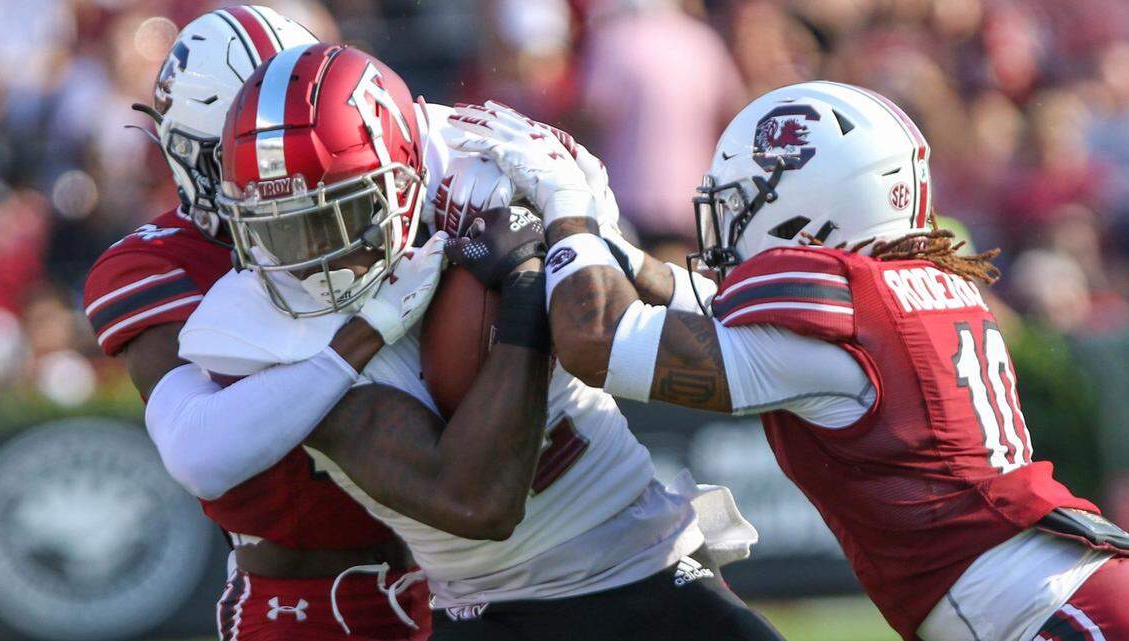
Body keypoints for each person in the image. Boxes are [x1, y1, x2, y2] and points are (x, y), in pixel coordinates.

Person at [450, 83, 1129, 641]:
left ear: (811, 209)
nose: (723, 227)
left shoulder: (837, 320)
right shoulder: (905, 290)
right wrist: (608, 247)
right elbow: (708, 306)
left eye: (743, 204)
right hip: (1061, 594)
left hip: (1050, 615)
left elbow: (597, 339)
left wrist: (565, 205)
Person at [180, 42, 784, 641]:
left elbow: (605, 325)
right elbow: (476, 503)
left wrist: (568, 212)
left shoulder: (485, 169)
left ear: (404, 173)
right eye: (283, 228)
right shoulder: (254, 321)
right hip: (485, 608)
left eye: (331, 216)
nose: (313, 256)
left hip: (643, 556)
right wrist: (524, 289)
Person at [82, 8, 436, 639]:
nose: (276, 169)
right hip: (306, 599)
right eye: (244, 152)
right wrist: (369, 326)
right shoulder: (153, 263)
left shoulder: (372, 196)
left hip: (451, 580)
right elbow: (208, 446)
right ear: (193, 155)